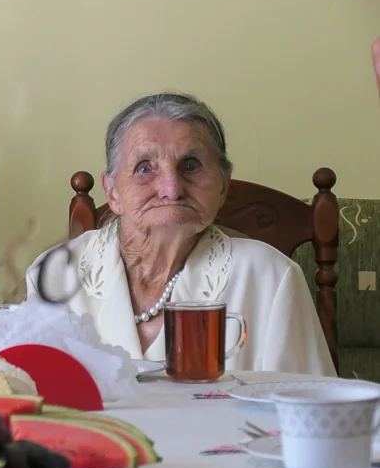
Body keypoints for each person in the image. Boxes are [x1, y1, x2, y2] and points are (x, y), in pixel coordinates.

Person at [26, 92, 335, 376]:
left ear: (223, 186)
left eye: (191, 165)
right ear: (113, 191)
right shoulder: (55, 274)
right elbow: (32, 400)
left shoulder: (270, 276)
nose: (171, 189)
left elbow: (314, 416)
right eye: (145, 168)